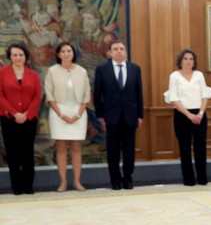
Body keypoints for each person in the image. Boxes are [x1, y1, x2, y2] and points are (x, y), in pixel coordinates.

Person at [94, 41, 144, 190]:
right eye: (115, 49)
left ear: (126, 52)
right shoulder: (102, 69)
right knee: (113, 151)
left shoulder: (135, 69)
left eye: (122, 49)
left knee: (129, 150)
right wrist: (100, 115)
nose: (119, 51)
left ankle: (128, 178)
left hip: (130, 116)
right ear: (110, 53)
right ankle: (115, 180)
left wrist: (140, 115)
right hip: (111, 116)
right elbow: (97, 94)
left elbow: (139, 93)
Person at [44, 41, 91, 192]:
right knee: (61, 147)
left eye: (69, 51)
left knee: (76, 147)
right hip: (59, 112)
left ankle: (77, 181)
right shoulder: (52, 71)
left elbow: (86, 95)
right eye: (63, 51)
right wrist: (61, 114)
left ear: (73, 53)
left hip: (78, 112)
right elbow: (49, 94)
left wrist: (78, 114)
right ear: (58, 54)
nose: (66, 54)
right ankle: (63, 182)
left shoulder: (82, 71)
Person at [0, 42, 41, 195]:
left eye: (21, 55)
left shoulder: (34, 75)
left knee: (27, 152)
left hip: (29, 119)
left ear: (25, 56)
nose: (18, 58)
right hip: (8, 119)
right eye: (15, 55)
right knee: (12, 152)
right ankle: (16, 186)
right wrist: (14, 113)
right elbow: (0, 96)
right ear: (10, 57)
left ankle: (28, 185)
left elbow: (37, 96)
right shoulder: (2, 73)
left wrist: (26, 114)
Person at [166, 48, 211, 186]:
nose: (188, 61)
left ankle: (202, 178)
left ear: (194, 62)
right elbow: (174, 98)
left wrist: (200, 114)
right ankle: (189, 179)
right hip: (182, 115)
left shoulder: (199, 75)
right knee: (185, 148)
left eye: (191, 59)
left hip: (200, 115)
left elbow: (205, 95)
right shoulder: (174, 76)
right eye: (185, 59)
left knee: (200, 147)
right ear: (180, 61)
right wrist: (189, 115)